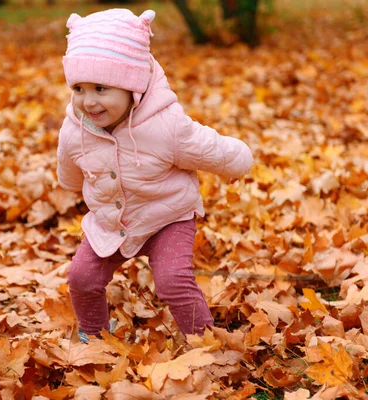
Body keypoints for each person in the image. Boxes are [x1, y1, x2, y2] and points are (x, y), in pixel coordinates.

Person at [56, 8, 254, 342]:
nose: (88, 101)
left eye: (101, 88)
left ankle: (202, 340)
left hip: (168, 217)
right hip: (113, 222)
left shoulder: (166, 126)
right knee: (81, 277)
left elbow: (209, 148)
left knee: (172, 279)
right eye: (79, 88)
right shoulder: (75, 130)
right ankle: (94, 334)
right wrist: (76, 187)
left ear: (133, 85)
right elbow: (71, 171)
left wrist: (238, 162)